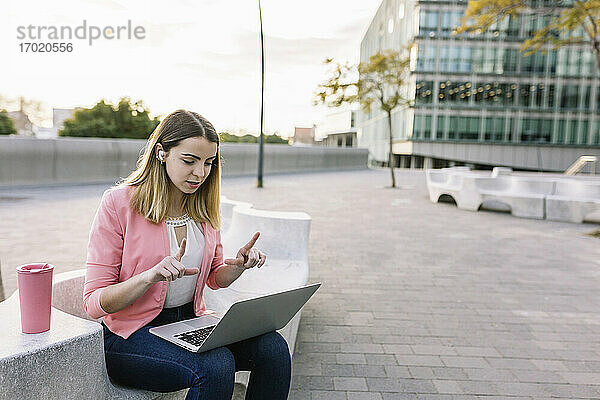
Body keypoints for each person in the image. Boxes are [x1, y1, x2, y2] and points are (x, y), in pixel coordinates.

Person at [83, 110, 291, 400]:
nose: (200, 173)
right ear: (161, 153)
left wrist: (239, 266)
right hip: (129, 336)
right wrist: (148, 277)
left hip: (189, 323)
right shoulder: (119, 204)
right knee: (216, 366)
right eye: (189, 161)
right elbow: (94, 303)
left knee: (273, 349)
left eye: (208, 163)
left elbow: (215, 277)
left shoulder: (203, 206)